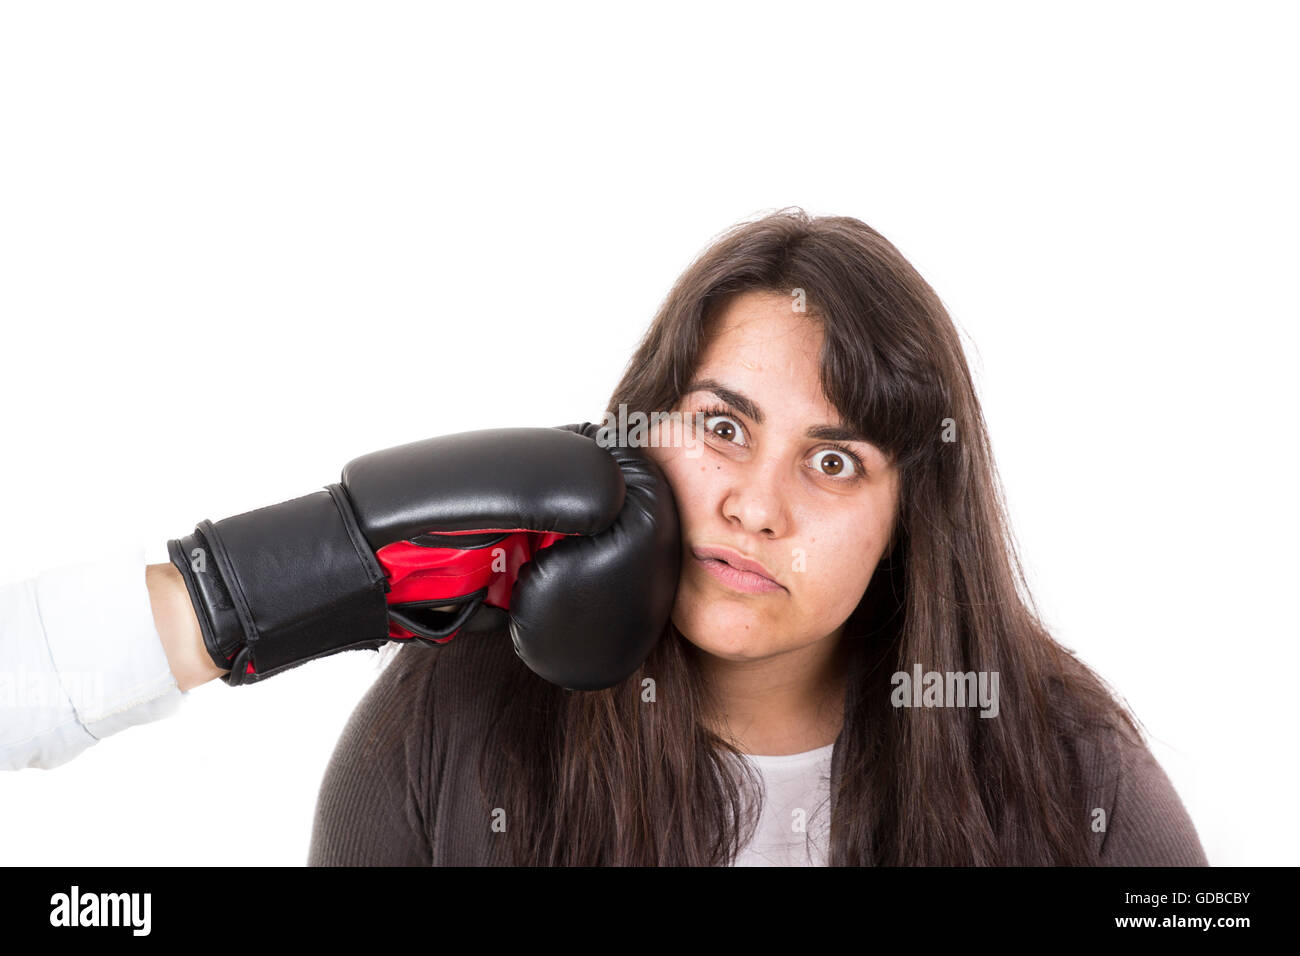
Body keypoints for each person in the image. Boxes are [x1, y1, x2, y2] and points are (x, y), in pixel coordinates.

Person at [308, 208, 1209, 866]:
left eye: (834, 463)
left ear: (908, 519)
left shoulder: (1063, 758)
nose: (757, 506)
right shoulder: (454, 704)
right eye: (724, 428)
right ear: (634, 437)